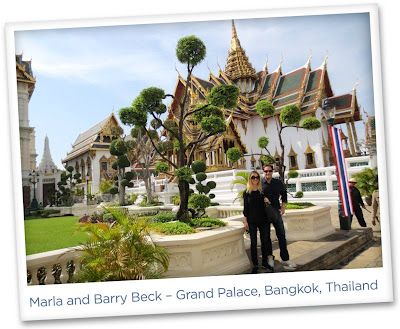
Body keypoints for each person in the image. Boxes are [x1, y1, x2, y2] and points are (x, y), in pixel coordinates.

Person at [261, 164, 297, 268]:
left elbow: (284, 193)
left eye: (270, 171)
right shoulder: (260, 183)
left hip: (276, 211)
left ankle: (285, 258)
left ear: (272, 172)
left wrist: (283, 206)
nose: (268, 173)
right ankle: (270, 258)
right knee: (266, 236)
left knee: (281, 234)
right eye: (266, 171)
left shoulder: (277, 182)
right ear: (263, 172)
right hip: (264, 213)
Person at [243, 171, 272, 274]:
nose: (255, 179)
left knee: (265, 242)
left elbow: (269, 203)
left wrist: (268, 201)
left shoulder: (262, 191)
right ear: (250, 179)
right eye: (253, 177)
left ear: (259, 179)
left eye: (257, 177)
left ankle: (265, 262)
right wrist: (245, 221)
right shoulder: (246, 192)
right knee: (253, 243)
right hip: (252, 221)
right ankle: (255, 264)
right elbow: (245, 208)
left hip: (263, 220)